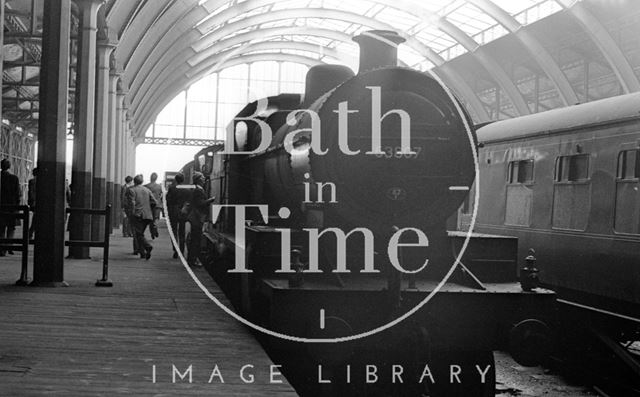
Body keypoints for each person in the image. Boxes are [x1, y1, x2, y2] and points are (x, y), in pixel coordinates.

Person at [124, 174, 156, 260]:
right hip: (147, 216)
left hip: (137, 215)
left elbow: (132, 203)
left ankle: (147, 246)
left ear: (134, 181)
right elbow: (154, 202)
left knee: (138, 234)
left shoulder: (131, 190)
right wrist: (149, 209)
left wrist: (132, 213)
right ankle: (143, 253)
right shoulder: (147, 190)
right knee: (139, 234)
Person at [186, 172, 214, 267]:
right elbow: (200, 203)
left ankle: (192, 259)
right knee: (196, 240)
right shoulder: (198, 190)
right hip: (197, 218)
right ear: (198, 179)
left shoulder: (197, 189)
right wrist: (210, 200)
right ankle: (192, 260)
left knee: (195, 238)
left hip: (196, 217)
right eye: (202, 178)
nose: (204, 179)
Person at [165, 173, 192, 259]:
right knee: (182, 232)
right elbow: (189, 202)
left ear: (176, 180)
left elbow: (168, 200)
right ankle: (182, 251)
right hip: (183, 212)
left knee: (174, 231)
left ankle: (176, 250)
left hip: (173, 211)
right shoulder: (187, 190)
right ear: (183, 180)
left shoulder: (172, 188)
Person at [0, 159, 22, 256]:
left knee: (1, 228)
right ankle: (9, 247)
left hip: (1, 207)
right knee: (11, 228)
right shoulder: (14, 178)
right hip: (11, 207)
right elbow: (18, 194)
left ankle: (1, 249)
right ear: (9, 167)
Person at [144, 172, 163, 239]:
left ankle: (152, 231)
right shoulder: (159, 187)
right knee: (156, 218)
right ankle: (155, 227)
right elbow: (162, 195)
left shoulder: (146, 186)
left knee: (150, 219)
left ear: (150, 178)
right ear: (156, 178)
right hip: (157, 205)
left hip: (149, 204)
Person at [27, 167, 37, 239]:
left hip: (34, 202)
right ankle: (30, 232)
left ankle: (30, 232)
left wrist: (31, 202)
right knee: (36, 218)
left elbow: (31, 192)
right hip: (39, 202)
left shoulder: (31, 181)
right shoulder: (43, 181)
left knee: (35, 218)